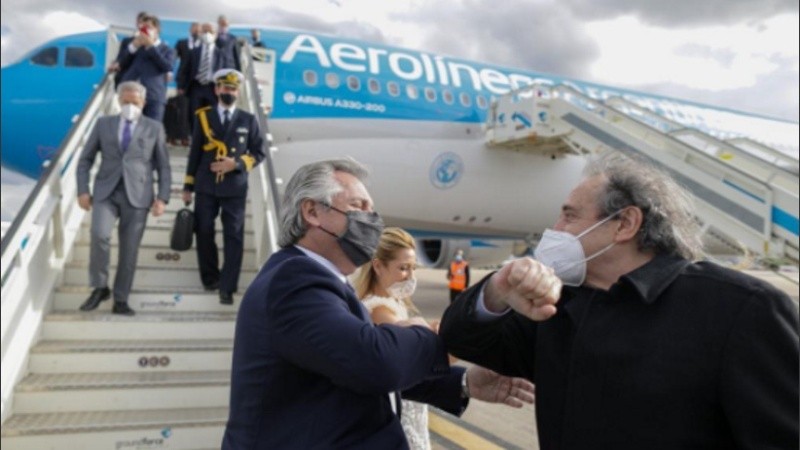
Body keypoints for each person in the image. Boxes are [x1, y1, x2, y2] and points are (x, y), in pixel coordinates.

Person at [439, 154, 799, 449]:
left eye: (569, 214)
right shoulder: (558, 306)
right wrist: (497, 290)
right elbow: (460, 338)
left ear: (624, 223)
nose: (555, 229)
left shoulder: (742, 310)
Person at [222, 158, 535, 449]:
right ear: (312, 212)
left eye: (372, 209)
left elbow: (342, 371)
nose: (371, 219)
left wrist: (464, 383)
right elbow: (373, 362)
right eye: (358, 206)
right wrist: (429, 334)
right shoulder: (295, 280)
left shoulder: (320, 278)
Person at [76, 81, 171, 316]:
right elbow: (85, 159)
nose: (130, 106)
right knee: (99, 234)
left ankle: (121, 298)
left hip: (138, 195)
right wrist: (82, 190)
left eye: (134, 102)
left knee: (129, 250)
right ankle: (99, 287)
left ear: (143, 103)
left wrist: (163, 198)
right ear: (119, 101)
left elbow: (163, 166)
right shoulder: (103, 124)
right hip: (105, 191)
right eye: (126, 102)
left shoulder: (154, 127)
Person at [182, 69, 265, 305]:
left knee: (234, 237)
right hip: (206, 186)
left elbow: (259, 153)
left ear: (238, 92)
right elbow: (195, 152)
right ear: (217, 90)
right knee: (204, 231)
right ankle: (210, 278)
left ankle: (227, 287)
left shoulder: (248, 120)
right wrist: (188, 185)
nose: (228, 92)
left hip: (234, 188)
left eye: (232, 89)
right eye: (225, 88)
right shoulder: (203, 117)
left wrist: (236, 164)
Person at [116, 15, 175, 122]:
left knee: (152, 128)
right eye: (142, 28)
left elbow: (167, 66)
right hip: (130, 95)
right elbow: (121, 63)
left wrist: (151, 47)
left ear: (157, 30)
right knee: (129, 128)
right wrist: (133, 46)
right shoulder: (135, 47)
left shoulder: (166, 50)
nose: (144, 31)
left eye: (148, 27)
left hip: (153, 96)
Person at [178, 22, 239, 124]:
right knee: (194, 116)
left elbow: (228, 71)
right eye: (205, 31)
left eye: (210, 32)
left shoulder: (222, 55)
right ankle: (195, 137)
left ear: (216, 34)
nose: (207, 34)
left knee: (212, 117)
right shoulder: (193, 52)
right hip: (196, 87)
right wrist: (181, 86)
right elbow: (184, 70)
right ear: (200, 33)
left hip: (213, 89)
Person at [108, 11, 149, 87]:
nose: (142, 25)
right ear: (137, 23)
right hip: (126, 79)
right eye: (140, 22)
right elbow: (120, 58)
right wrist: (116, 64)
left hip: (143, 82)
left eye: (145, 23)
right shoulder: (127, 41)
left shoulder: (152, 45)